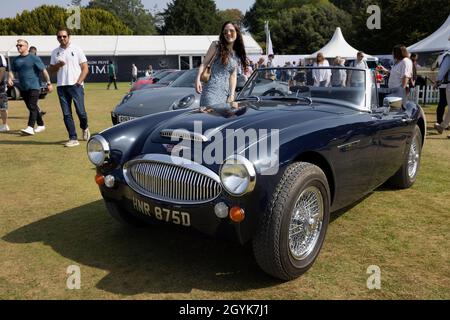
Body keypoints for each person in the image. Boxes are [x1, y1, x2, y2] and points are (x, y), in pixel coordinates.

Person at [49, 28, 90, 147]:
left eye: (64, 36)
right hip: (61, 86)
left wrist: (79, 82)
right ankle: (73, 138)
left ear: (69, 36)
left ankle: (85, 127)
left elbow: (85, 68)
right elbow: (51, 70)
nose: (62, 38)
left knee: (81, 112)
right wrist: (58, 65)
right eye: (59, 37)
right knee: (66, 114)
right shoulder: (55, 52)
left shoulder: (77, 49)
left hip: (76, 86)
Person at [195, 21, 247, 107]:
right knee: (210, 117)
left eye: (231, 31)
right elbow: (204, 64)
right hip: (211, 92)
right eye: (225, 32)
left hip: (225, 94)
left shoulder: (237, 53)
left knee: (222, 119)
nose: (228, 33)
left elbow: (233, 76)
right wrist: (197, 80)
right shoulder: (216, 45)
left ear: (237, 33)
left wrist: (232, 95)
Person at [8, 39, 53, 135]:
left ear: (26, 47)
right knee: (32, 107)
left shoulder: (34, 58)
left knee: (32, 106)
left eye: (20, 45)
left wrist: (48, 83)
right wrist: (10, 79)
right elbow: (12, 71)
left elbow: (44, 71)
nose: (18, 47)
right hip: (23, 88)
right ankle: (41, 125)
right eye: (17, 45)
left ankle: (30, 127)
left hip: (34, 86)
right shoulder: (16, 60)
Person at [433, 36, 450, 137]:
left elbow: (443, 70)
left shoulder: (448, 54)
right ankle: (442, 126)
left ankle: (442, 126)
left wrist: (437, 81)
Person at [28, 46, 46, 117]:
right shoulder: (31, 59)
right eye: (31, 51)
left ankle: (38, 111)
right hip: (31, 82)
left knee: (35, 99)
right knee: (33, 99)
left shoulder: (36, 59)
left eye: (33, 51)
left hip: (36, 82)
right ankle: (38, 112)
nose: (32, 53)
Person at [432, 51, 448, 126]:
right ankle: (441, 122)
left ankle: (441, 122)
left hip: (445, 84)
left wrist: (437, 81)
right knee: (442, 104)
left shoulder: (444, 55)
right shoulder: (445, 55)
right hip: (445, 84)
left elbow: (433, 67)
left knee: (442, 104)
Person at [0, 53, 9, 132]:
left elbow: (2, 69)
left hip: (1, 87)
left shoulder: (0, 56)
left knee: (2, 106)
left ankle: (5, 125)